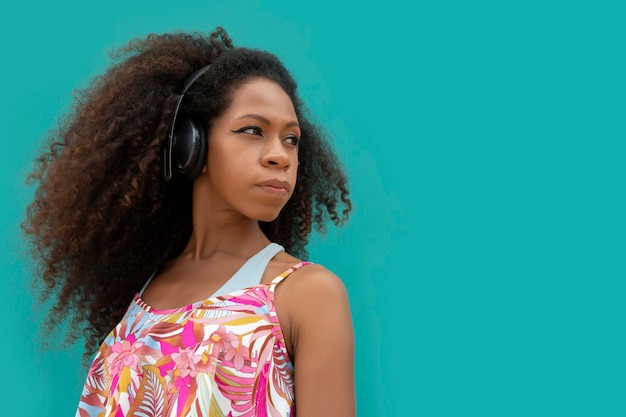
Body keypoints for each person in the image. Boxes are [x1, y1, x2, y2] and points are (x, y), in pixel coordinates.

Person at [22, 27, 355, 417]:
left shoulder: (307, 295)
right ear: (189, 144)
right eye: (253, 130)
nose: (279, 156)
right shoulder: (142, 297)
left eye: (291, 139)